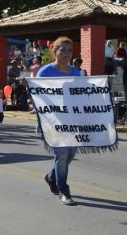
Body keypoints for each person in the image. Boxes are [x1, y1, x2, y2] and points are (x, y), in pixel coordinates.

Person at [37, 36, 81, 206]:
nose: (66, 53)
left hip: (72, 120)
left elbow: (80, 94)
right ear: (54, 51)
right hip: (53, 121)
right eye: (62, 49)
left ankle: (51, 176)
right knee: (62, 155)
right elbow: (38, 96)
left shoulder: (76, 72)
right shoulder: (45, 72)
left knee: (70, 155)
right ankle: (64, 191)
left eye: (69, 50)